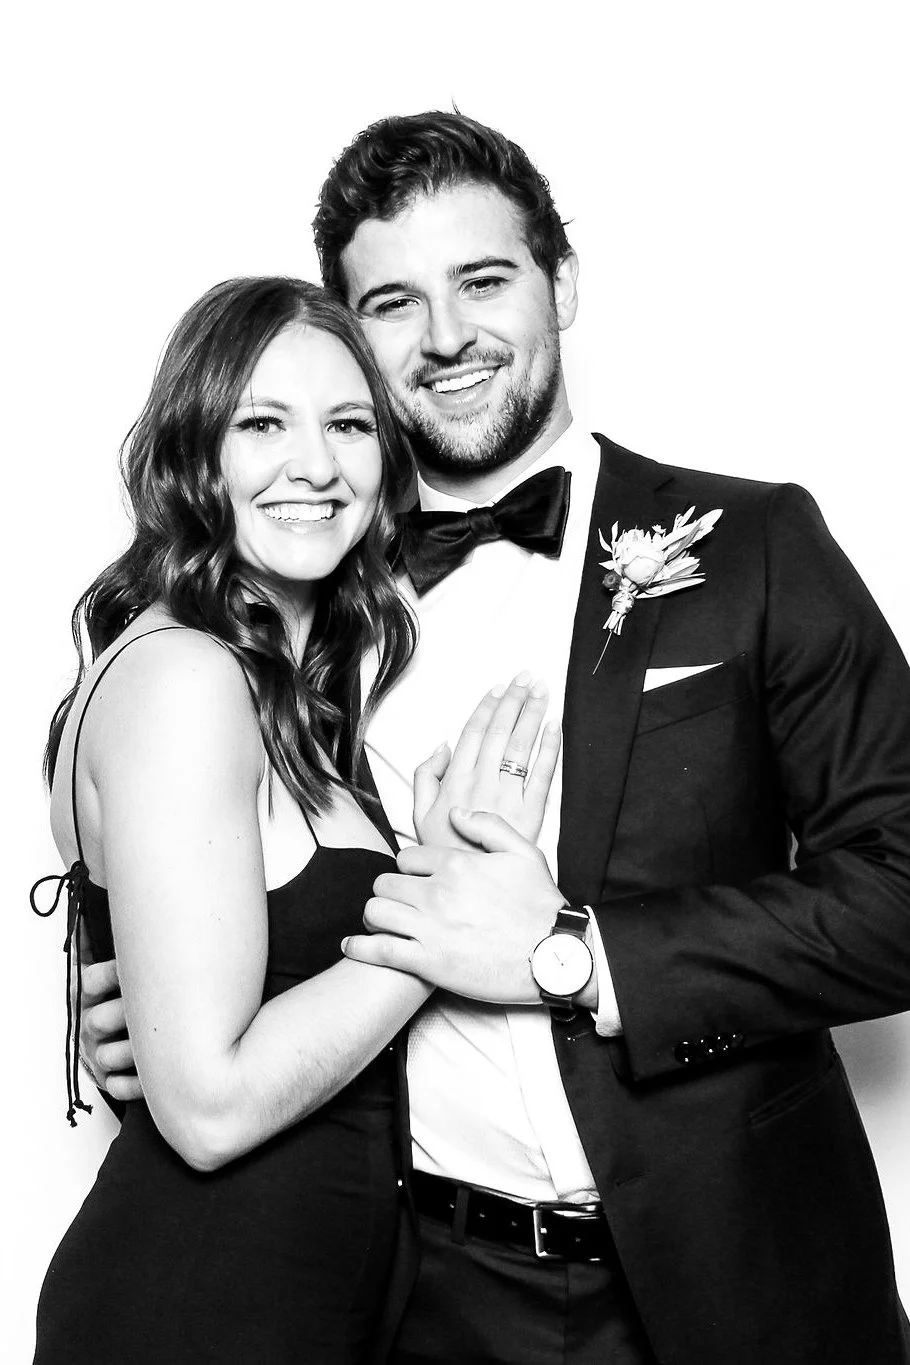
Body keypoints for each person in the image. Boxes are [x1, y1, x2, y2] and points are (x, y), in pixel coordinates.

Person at [81, 115, 910, 1364]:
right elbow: (227, 890)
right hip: (418, 1300)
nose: (448, 336)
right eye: (394, 303)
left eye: (484, 280)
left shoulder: (756, 546)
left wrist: (573, 958)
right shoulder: (295, 611)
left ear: (559, 282)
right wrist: (142, 1000)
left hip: (742, 1279)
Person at [31, 272, 561, 1363]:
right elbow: (210, 1107)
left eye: (350, 424)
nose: (315, 465)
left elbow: (214, 1001)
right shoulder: (185, 678)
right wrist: (439, 918)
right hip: (203, 1304)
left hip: (311, 1299)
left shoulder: (271, 683)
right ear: (194, 453)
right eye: (262, 422)